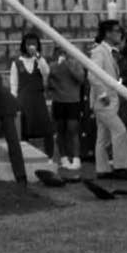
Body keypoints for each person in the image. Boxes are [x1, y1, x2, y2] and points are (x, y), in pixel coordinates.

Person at [88, 19, 127, 180]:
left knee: (103, 136)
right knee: (119, 131)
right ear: (107, 33)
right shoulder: (99, 51)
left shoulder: (110, 51)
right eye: (116, 31)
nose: (119, 34)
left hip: (110, 99)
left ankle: (102, 169)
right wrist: (102, 94)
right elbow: (93, 74)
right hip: (104, 100)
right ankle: (120, 167)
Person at [9, 32, 53, 157]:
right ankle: (26, 157)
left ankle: (49, 157)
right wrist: (14, 103)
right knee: (25, 130)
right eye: (28, 44)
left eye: (34, 44)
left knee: (47, 130)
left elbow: (46, 72)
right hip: (23, 100)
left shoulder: (39, 60)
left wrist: (38, 56)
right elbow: (14, 85)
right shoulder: (16, 63)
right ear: (24, 45)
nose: (31, 46)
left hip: (38, 99)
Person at [47, 44, 86, 172]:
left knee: (72, 130)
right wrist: (55, 68)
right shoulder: (53, 66)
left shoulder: (75, 64)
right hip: (58, 101)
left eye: (64, 52)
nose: (61, 55)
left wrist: (68, 65)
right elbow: (48, 83)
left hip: (72, 102)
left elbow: (80, 78)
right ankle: (63, 158)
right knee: (60, 131)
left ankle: (76, 158)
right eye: (59, 52)